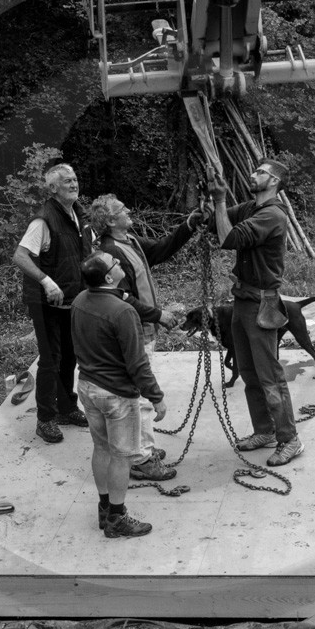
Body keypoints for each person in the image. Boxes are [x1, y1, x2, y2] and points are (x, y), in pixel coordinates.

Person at [91, 194, 205, 482]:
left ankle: (145, 447)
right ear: (110, 221)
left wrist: (189, 224)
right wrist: (160, 315)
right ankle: (141, 459)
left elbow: (162, 249)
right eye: (121, 209)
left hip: (145, 329)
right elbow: (123, 298)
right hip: (132, 332)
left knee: (140, 392)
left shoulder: (130, 242)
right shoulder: (109, 251)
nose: (128, 209)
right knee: (139, 395)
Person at [205, 160, 304, 468]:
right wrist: (209, 200)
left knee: (270, 377)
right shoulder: (250, 207)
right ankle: (265, 430)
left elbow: (228, 239)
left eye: (261, 172)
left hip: (262, 303)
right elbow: (215, 224)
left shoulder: (272, 215)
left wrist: (221, 200)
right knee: (249, 373)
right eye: (255, 170)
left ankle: (290, 439)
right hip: (242, 300)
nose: (253, 174)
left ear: (274, 181)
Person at [72, 251, 167, 538]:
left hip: (87, 387)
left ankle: (104, 508)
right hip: (115, 395)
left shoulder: (79, 301)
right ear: (110, 277)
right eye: (114, 262)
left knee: (102, 448)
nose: (119, 262)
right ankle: (116, 518)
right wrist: (156, 396)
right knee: (123, 456)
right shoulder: (122, 312)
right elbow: (137, 363)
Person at [13, 164, 92, 444]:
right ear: (53, 188)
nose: (74, 183)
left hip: (72, 300)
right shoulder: (43, 220)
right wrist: (47, 281)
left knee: (70, 356)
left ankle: (66, 408)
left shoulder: (79, 215)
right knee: (50, 360)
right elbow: (20, 256)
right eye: (67, 181)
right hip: (46, 301)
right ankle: (45, 419)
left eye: (75, 178)